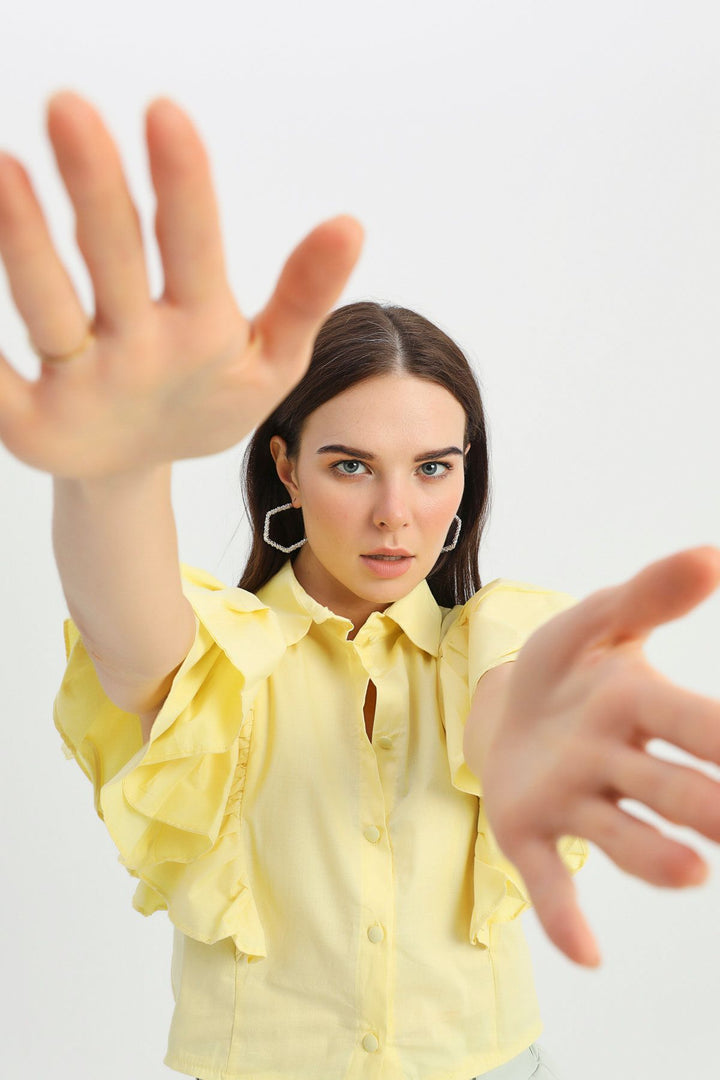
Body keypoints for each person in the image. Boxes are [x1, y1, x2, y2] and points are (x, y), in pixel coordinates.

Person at [0, 90, 718, 1080]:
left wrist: (551, 722)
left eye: (433, 467)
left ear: (468, 472)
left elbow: (518, 689)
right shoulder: (223, 660)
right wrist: (117, 472)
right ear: (287, 468)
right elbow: (129, 635)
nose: (396, 514)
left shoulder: (493, 642)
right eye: (351, 466)